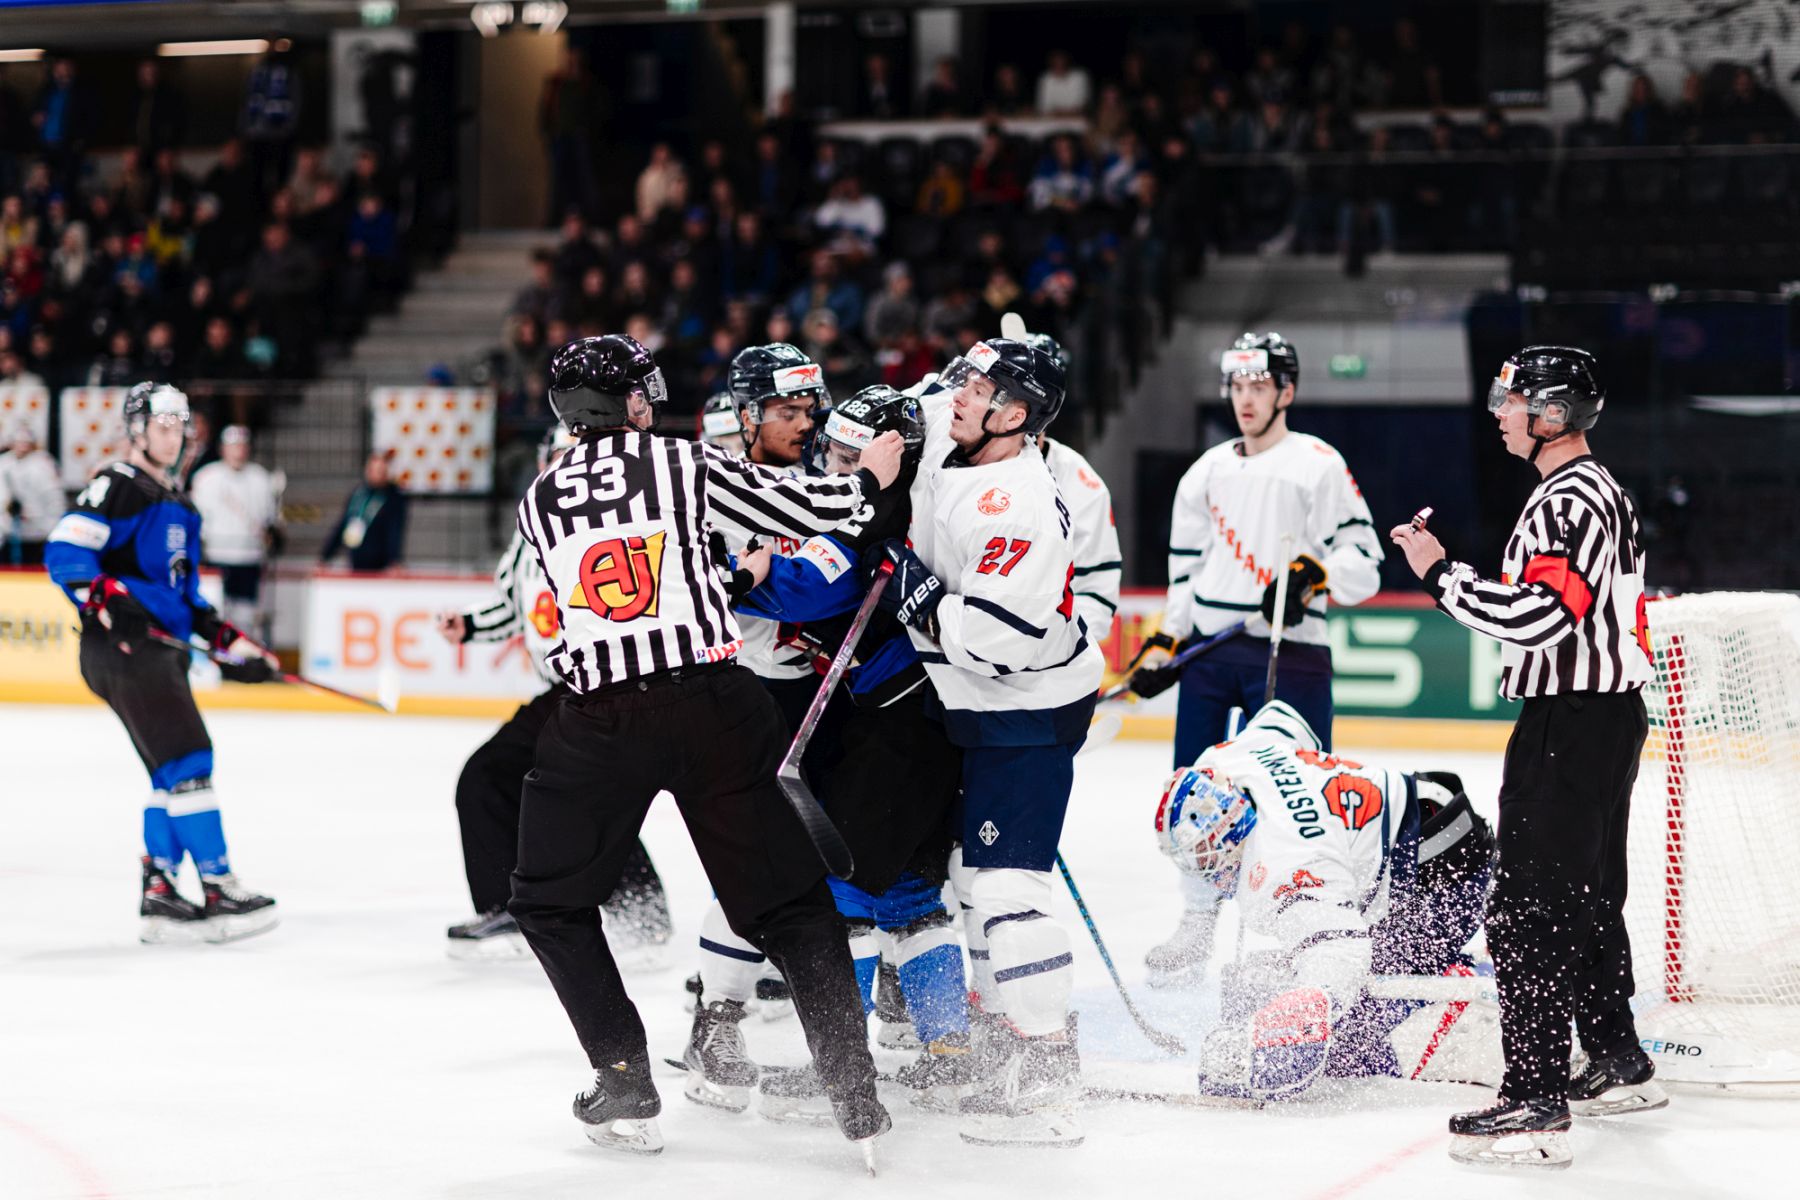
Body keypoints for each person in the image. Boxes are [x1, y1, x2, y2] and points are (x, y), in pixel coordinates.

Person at [509, 334, 903, 1160]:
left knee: (549, 903)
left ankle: (622, 1077)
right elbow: (816, 512)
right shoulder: (681, 462)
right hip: (715, 706)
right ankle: (853, 1092)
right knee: (792, 907)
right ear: (633, 403)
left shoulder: (540, 498)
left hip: (601, 719)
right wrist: (871, 476)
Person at [1389, 346, 1664, 1170]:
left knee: (1530, 910)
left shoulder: (1567, 499)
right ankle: (1616, 1057)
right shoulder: (1596, 489)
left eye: (1511, 401)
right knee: (1587, 896)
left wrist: (1440, 575)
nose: (1499, 413)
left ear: (1550, 414)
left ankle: (1534, 1097)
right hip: (1603, 719)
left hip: (1569, 721)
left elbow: (1543, 618)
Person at [877, 337, 1103, 1147]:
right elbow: (905, 410)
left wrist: (917, 591)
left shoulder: (1017, 503)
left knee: (1009, 889)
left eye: (978, 388)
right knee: (974, 877)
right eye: (964, 380)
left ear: (1013, 417)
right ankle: (1012, 1048)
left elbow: (1000, 638)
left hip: (1026, 707)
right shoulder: (959, 425)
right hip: (977, 708)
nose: (957, 395)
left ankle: (1049, 1078)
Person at [728, 385, 971, 1119]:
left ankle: (838, 1061)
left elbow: (805, 591)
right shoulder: (907, 504)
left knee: (840, 898)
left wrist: (756, 570)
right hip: (926, 730)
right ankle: (951, 1051)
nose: (832, 468)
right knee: (909, 895)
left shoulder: (874, 518)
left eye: (848, 456)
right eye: (830, 451)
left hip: (893, 738)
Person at [1132, 332, 1383, 989]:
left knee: (1295, 796)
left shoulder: (1318, 464)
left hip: (1291, 651)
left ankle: (1299, 931)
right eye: (1237, 386)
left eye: (1260, 386)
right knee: (1193, 791)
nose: (1246, 398)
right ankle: (1195, 919)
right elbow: (1184, 568)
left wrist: (1314, 574)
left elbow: (1366, 562)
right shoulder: (1207, 471)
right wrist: (1168, 637)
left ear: (1286, 392)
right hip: (1212, 653)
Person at [1154, 701, 1495, 1102]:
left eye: (1209, 857)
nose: (1210, 872)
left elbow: (1343, 955)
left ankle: (1476, 1002)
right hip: (1439, 821)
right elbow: (1283, 716)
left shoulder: (1282, 862)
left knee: (1352, 1039)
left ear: (1230, 831)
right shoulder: (1233, 756)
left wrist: (1292, 1022)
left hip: (1445, 878)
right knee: (1286, 975)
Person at [43, 383, 281, 944]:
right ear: (137, 430)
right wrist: (108, 598)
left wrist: (237, 649)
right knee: (191, 756)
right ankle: (219, 888)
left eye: (180, 426)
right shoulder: (118, 485)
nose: (174, 437)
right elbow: (64, 551)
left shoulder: (178, 505)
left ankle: (162, 892)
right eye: (163, 425)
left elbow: (188, 604)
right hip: (125, 649)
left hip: (158, 652)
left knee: (168, 770)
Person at [434, 426, 670, 965]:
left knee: (525, 784)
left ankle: (629, 909)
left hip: (600, 684)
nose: (564, 467)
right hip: (561, 690)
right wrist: (468, 627)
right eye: (557, 456)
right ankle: (640, 910)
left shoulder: (607, 524)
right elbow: (516, 608)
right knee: (539, 787)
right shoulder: (530, 528)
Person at [677, 343, 834, 1109]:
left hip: (808, 698)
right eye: (786, 410)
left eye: (809, 407)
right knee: (746, 869)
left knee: (815, 869)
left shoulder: (820, 483)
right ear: (746, 415)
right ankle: (716, 1019)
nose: (804, 422)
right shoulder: (714, 491)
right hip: (740, 697)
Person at [188, 426, 281, 640]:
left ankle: (242, 659)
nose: (238, 451)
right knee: (217, 610)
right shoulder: (207, 477)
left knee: (246, 613)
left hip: (250, 557)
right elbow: (196, 519)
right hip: (216, 555)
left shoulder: (261, 478)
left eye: (242, 446)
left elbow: (270, 520)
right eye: (233, 446)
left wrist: (272, 536)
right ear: (223, 449)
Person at [320, 449, 408, 571]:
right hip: (356, 562)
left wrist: (394, 561)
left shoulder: (393, 498)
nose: (376, 474)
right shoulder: (359, 494)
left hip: (380, 566)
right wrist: (326, 557)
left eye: (381, 471)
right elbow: (342, 526)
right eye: (373, 470)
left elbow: (394, 531)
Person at [0, 422, 64, 564]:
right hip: (7, 529)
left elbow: (54, 498)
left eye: (25, 442)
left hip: (36, 528)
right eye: (18, 442)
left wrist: (52, 527)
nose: (22, 446)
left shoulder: (43, 464)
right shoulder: (3, 463)